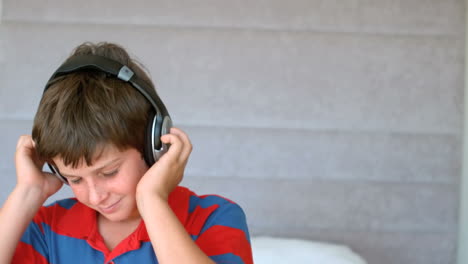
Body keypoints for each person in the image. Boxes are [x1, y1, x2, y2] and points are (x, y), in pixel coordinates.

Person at [0, 42, 253, 264]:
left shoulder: (215, 217)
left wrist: (152, 199)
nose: (96, 196)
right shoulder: (47, 228)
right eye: (75, 179)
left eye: (109, 172)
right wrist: (28, 191)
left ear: (152, 145)